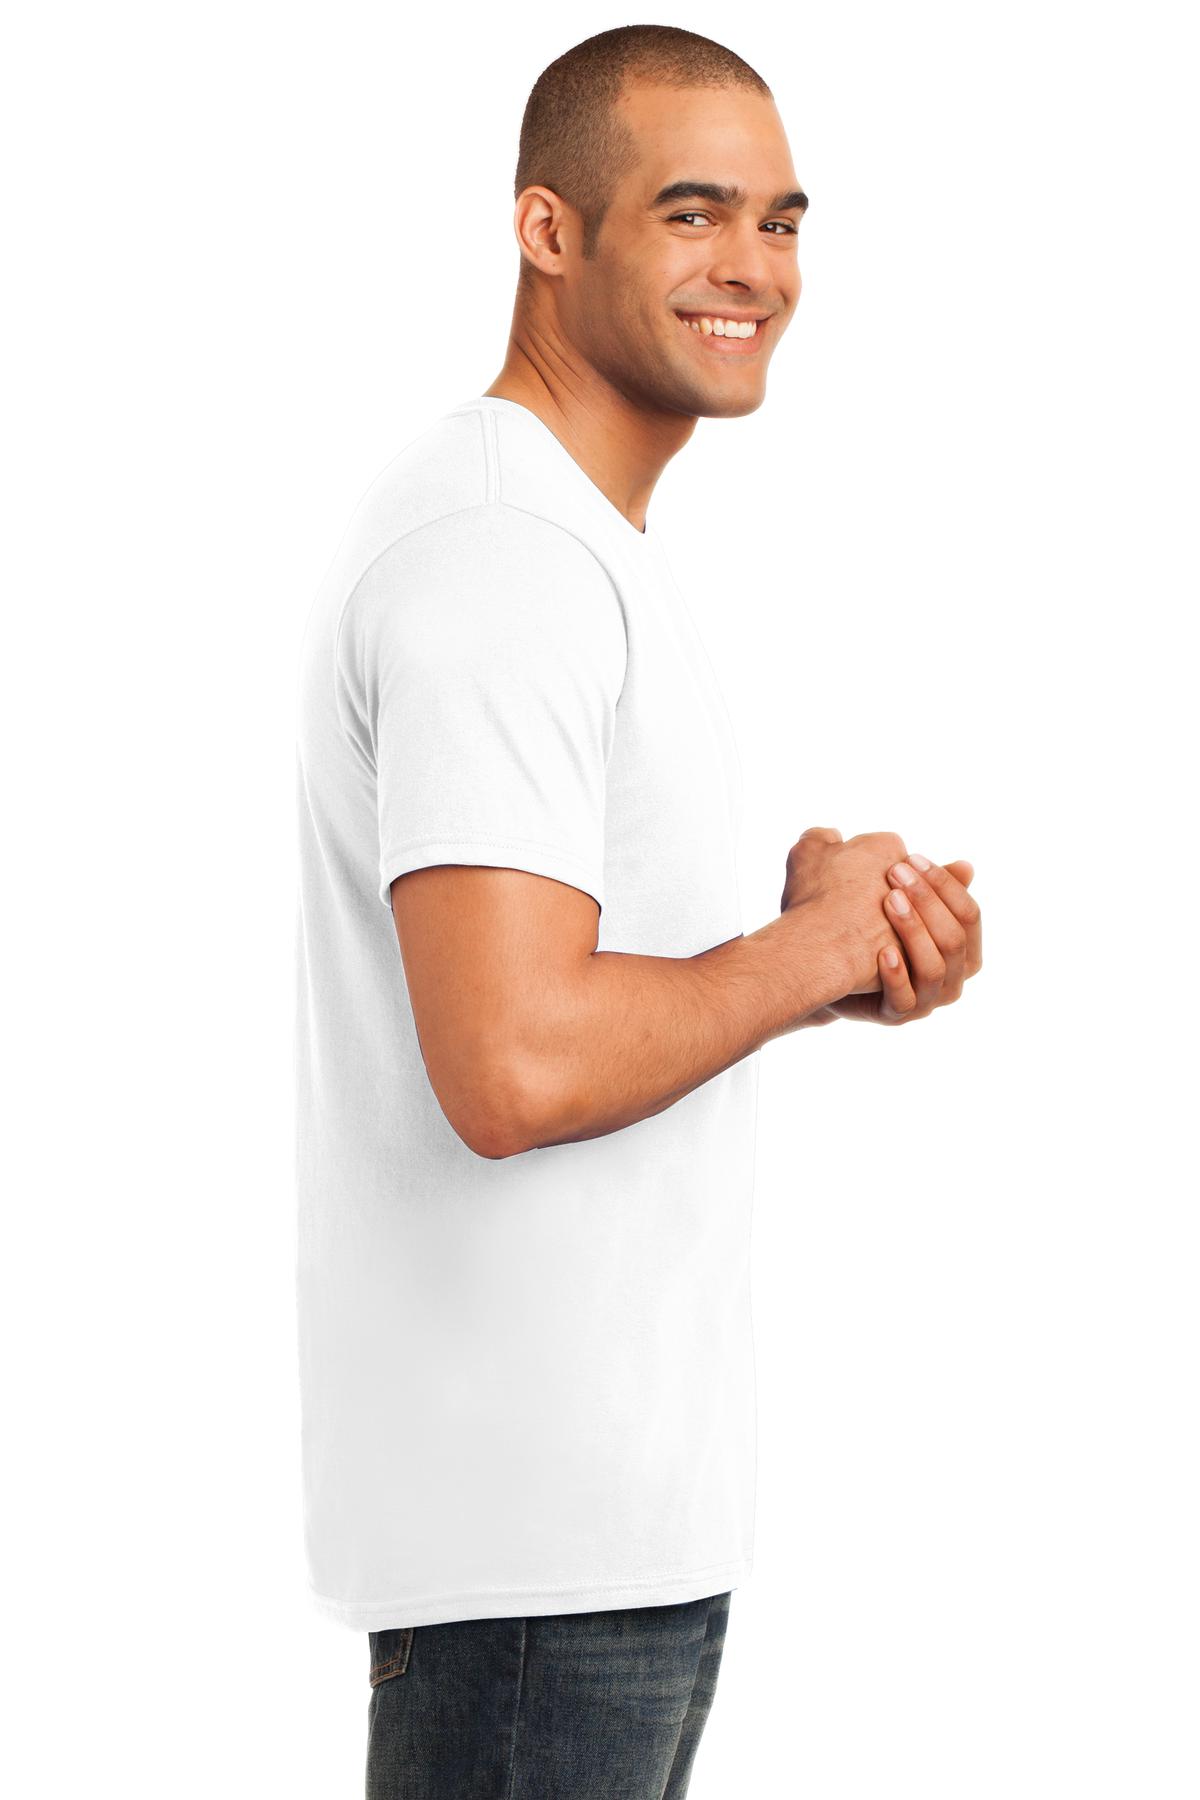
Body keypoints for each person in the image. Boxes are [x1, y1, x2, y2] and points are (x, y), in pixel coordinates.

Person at [293, 23, 983, 1799]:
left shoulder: (580, 544)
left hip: (597, 1549)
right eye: (693, 213)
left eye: (782, 219)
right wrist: (804, 949)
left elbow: (584, 998)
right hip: (532, 1570)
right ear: (548, 229)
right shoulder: (503, 554)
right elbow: (512, 1061)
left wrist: (830, 958)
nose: (754, 267)